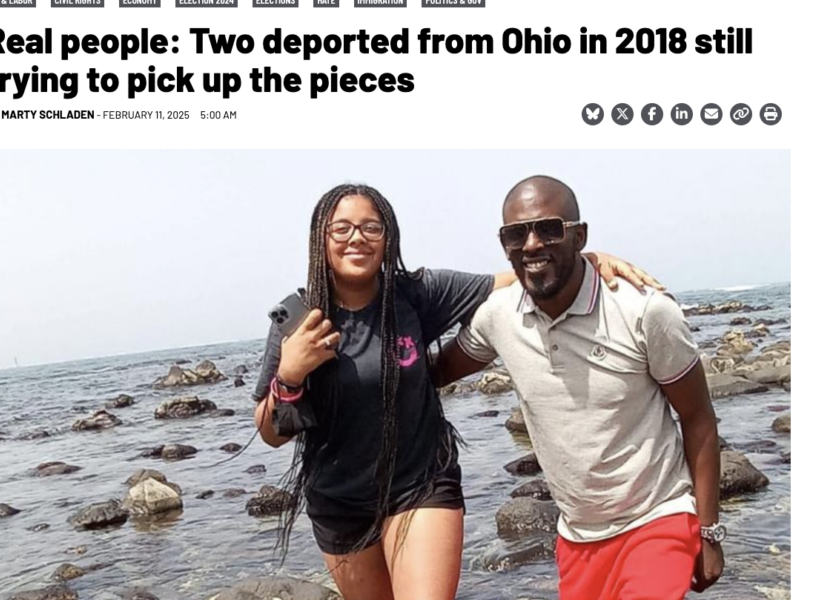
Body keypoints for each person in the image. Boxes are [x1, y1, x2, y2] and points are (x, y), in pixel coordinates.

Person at [252, 183, 659, 600]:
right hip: (338, 502)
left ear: (388, 239)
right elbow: (270, 434)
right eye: (342, 229)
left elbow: (514, 281)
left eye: (371, 228)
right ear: (321, 239)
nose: (357, 238)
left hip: (421, 484)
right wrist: (291, 374)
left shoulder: (416, 293)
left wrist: (583, 260)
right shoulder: (300, 322)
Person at [433, 175, 724, 600]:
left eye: (549, 228)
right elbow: (431, 374)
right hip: (578, 537)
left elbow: (699, 419)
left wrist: (709, 532)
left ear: (579, 235)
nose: (531, 244)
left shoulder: (642, 310)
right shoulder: (499, 316)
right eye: (516, 234)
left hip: (657, 520)